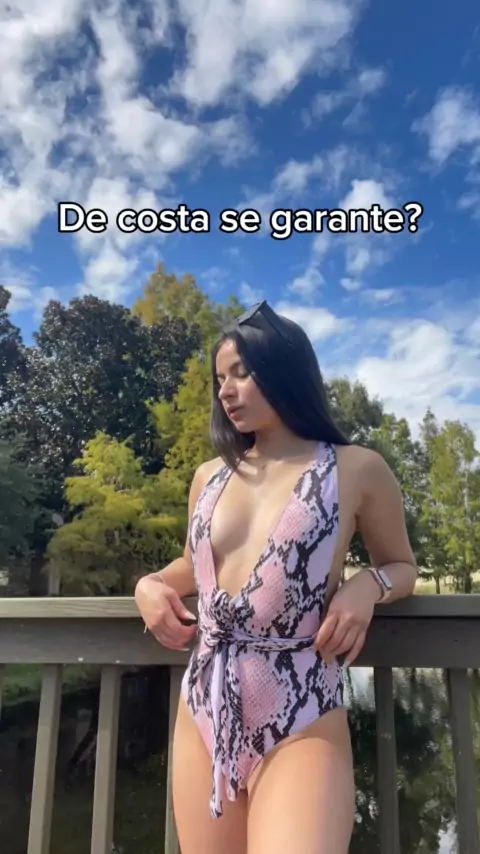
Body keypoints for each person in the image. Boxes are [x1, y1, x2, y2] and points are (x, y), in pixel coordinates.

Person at [135, 300, 417, 854]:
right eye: (220, 378)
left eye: (242, 373)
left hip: (301, 711)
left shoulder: (355, 467)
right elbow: (194, 566)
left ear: (285, 371)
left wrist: (367, 586)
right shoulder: (209, 476)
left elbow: (401, 565)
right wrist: (150, 585)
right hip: (204, 707)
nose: (227, 391)